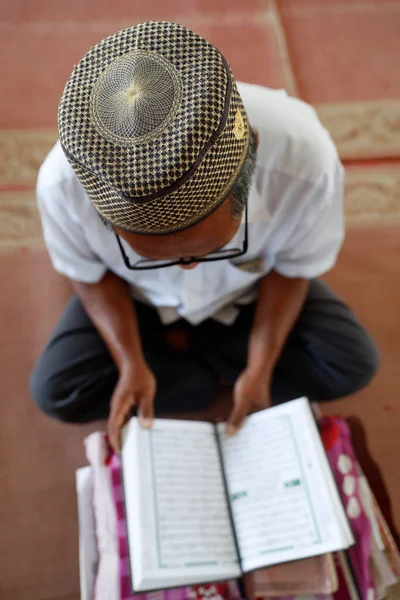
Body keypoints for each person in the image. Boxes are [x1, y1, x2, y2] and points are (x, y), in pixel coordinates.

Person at [31, 21, 379, 452]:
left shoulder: (305, 165)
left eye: (209, 250)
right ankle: (188, 367)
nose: (188, 269)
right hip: (137, 300)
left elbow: (294, 268)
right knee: (58, 392)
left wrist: (260, 367)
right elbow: (86, 274)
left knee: (352, 364)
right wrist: (129, 361)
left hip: (248, 293)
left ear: (247, 171)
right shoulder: (65, 185)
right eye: (155, 255)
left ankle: (189, 370)